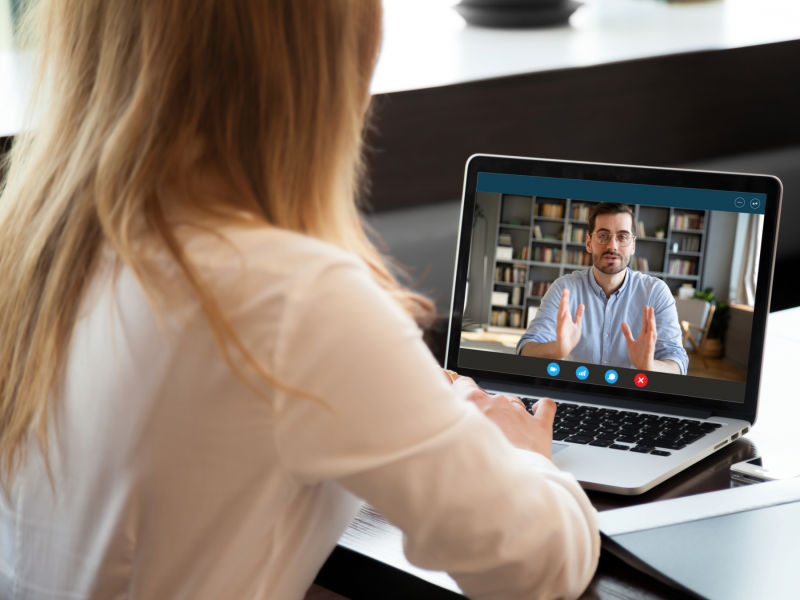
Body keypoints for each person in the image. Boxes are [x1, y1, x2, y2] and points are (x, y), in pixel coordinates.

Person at [0, 1, 598, 599]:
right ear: (327, 62)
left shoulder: (31, 246)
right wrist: (519, 456)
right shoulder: (293, 299)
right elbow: (535, 566)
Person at [518, 203, 688, 374]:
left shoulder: (656, 293)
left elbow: (677, 363)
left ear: (633, 245)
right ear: (588, 243)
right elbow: (525, 350)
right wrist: (556, 350)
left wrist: (649, 366)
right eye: (603, 235)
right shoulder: (564, 289)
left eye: (622, 237)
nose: (612, 246)